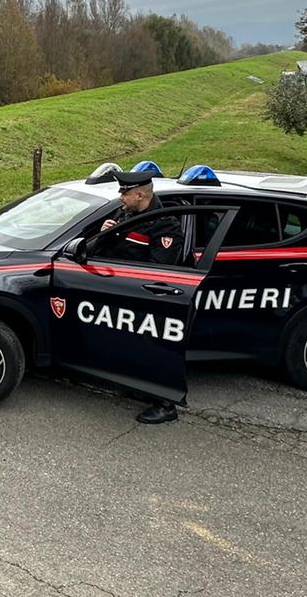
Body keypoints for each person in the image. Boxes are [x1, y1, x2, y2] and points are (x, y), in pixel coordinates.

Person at [99, 170, 186, 424]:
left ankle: (165, 404)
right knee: (128, 343)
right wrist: (106, 234)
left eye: (124, 192)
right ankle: (136, 385)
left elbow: (158, 268)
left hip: (151, 295)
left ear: (140, 194)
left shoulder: (165, 224)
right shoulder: (124, 214)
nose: (120, 197)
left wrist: (119, 239)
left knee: (152, 346)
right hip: (121, 290)